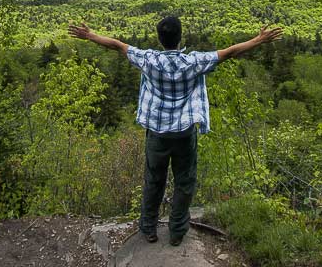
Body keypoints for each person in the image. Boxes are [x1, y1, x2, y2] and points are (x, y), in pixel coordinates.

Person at [68, 15, 283, 246]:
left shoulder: (148, 60)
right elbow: (230, 52)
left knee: (153, 180)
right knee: (184, 181)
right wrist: (259, 40)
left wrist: (89, 35)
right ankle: (177, 231)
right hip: (184, 133)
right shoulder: (193, 62)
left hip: (157, 134)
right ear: (180, 38)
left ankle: (148, 228)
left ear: (160, 39)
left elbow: (117, 45)